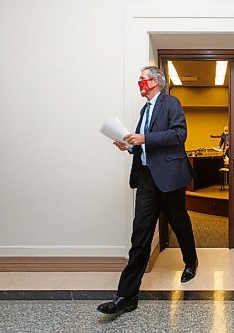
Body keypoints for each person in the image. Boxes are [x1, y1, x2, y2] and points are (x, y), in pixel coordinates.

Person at [97, 66, 198, 316]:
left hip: (170, 179)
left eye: (142, 79)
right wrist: (129, 146)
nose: (139, 82)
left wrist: (144, 139)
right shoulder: (145, 110)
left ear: (155, 82)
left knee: (179, 223)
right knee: (140, 234)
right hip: (145, 179)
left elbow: (179, 134)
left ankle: (191, 261)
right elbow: (142, 143)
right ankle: (126, 296)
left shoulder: (171, 103)